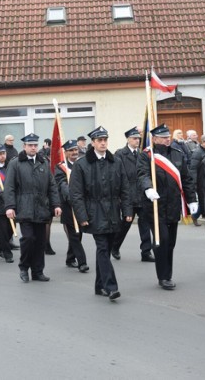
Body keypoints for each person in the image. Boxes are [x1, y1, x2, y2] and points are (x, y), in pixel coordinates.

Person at [70, 127, 132, 300]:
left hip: (113, 211)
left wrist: (127, 210)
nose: (103, 143)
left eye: (105, 139)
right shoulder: (81, 164)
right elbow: (76, 193)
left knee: (105, 249)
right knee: (103, 248)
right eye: (99, 140)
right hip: (94, 212)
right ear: (93, 143)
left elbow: (125, 189)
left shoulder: (116, 162)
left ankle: (99, 286)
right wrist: (81, 216)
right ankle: (111, 286)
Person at [138, 124, 197, 290]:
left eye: (168, 136)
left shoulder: (177, 154)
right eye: (164, 137)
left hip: (173, 205)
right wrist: (148, 187)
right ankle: (164, 277)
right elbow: (142, 173)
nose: (167, 139)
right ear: (155, 139)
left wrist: (191, 200)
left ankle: (167, 273)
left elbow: (186, 178)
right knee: (161, 240)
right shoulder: (147, 156)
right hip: (155, 206)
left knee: (170, 242)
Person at [4, 133, 61, 283]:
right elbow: (9, 187)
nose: (33, 147)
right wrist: (10, 206)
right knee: (28, 239)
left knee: (40, 242)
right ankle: (24, 267)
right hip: (24, 208)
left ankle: (38, 271)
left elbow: (52, 186)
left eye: (35, 145)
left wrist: (56, 204)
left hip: (42, 208)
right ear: (24, 147)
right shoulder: (15, 163)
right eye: (30, 145)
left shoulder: (44, 162)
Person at [112, 126, 153, 262]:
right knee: (125, 224)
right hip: (127, 196)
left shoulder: (143, 154)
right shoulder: (119, 154)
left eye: (138, 139)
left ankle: (146, 252)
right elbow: (116, 176)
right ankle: (115, 246)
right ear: (128, 139)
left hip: (142, 194)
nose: (137, 141)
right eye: (134, 138)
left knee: (145, 224)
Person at [55, 139, 89, 272]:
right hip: (68, 205)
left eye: (75, 149)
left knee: (78, 233)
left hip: (81, 204)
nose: (74, 152)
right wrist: (71, 198)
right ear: (65, 152)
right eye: (71, 150)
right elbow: (62, 184)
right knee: (74, 234)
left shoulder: (83, 164)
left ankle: (70, 258)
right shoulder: (60, 167)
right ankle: (82, 262)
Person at [188, 134, 205, 227]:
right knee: (204, 200)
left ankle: (201, 215)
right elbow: (193, 169)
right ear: (202, 143)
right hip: (201, 180)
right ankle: (196, 215)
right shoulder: (197, 152)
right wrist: (194, 183)